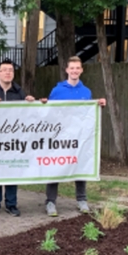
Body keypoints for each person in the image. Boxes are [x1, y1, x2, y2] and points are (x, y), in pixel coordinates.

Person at [41, 56, 106, 217]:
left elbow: (88, 114)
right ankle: (50, 202)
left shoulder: (86, 91)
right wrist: (43, 103)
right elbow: (49, 112)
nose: (75, 71)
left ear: (81, 70)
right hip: (59, 137)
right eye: (72, 68)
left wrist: (98, 105)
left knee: (80, 165)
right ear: (67, 70)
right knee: (55, 167)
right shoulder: (58, 90)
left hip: (79, 137)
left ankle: (82, 200)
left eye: (78, 68)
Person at [0, 58, 35, 218]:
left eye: (10, 70)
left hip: (13, 140)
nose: (7, 73)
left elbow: (25, 115)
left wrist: (29, 103)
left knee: (12, 170)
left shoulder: (18, 92)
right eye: (4, 70)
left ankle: (11, 204)